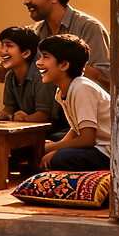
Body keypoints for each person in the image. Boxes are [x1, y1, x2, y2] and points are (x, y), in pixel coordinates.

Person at [0, 25, 64, 173]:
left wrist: (22, 119)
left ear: (25, 53)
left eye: (9, 46)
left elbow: (44, 116)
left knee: (35, 148)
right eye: (2, 45)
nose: (2, 51)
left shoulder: (41, 75)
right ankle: (11, 163)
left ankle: (16, 163)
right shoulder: (10, 76)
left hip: (49, 129)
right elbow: (9, 108)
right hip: (21, 127)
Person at [36, 34, 111, 171]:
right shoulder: (64, 90)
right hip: (96, 148)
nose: (39, 62)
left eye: (45, 57)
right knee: (42, 150)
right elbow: (76, 129)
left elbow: (87, 139)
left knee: (60, 158)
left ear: (64, 65)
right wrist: (56, 145)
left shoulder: (81, 87)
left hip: (107, 152)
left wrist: (54, 149)